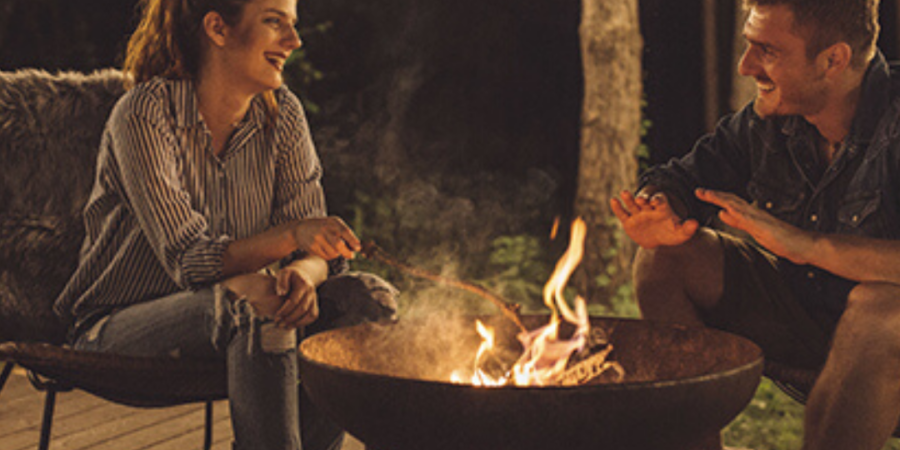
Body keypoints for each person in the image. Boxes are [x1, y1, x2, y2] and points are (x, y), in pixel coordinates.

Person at [52, 0, 397, 449]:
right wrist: (292, 236)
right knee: (255, 298)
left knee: (368, 298)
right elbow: (191, 261)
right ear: (218, 28)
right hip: (117, 328)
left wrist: (302, 274)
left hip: (245, 319)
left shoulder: (284, 115)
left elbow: (320, 258)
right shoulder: (143, 115)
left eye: (293, 25)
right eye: (275, 22)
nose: (294, 42)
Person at [610, 0, 900, 449]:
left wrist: (805, 245)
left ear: (833, 60)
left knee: (881, 311)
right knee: (663, 258)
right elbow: (681, 177)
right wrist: (659, 210)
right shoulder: (770, 125)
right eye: (749, 46)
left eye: (767, 50)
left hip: (883, 344)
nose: (746, 66)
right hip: (810, 327)